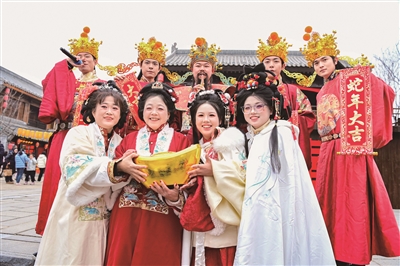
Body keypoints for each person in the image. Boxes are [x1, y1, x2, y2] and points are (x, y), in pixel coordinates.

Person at [300, 27, 400, 266]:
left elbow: (385, 91)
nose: (320, 65)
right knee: (331, 202)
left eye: (324, 60)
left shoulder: (351, 81)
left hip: (349, 149)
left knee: (352, 202)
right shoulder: (322, 89)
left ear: (335, 60)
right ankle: (332, 249)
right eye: (315, 63)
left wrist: (368, 79)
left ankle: (353, 251)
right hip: (328, 151)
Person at [233, 72, 335, 265]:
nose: (252, 112)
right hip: (258, 207)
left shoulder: (281, 133)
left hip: (276, 205)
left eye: (258, 106)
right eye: (247, 108)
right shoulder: (256, 136)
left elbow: (287, 179)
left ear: (272, 108)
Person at [34, 81, 130, 266]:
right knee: (71, 254)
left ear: (121, 114)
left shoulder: (120, 141)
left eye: (115, 108)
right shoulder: (78, 133)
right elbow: (74, 166)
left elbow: (120, 181)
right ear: (93, 111)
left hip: (102, 215)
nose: (109, 111)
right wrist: (116, 167)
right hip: (74, 210)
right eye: (104, 106)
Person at [104, 82, 191, 265]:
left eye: (160, 108)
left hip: (164, 215)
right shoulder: (129, 139)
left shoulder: (182, 142)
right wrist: (123, 167)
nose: (154, 113)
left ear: (169, 113)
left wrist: (175, 196)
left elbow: (189, 181)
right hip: (127, 213)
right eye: (149, 108)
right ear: (142, 111)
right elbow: (112, 173)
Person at [35, 26, 104, 235]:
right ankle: (50, 233)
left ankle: (76, 234)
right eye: (78, 56)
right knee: (55, 182)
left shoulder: (101, 84)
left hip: (85, 139)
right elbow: (47, 83)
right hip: (63, 135)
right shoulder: (66, 81)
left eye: (87, 56)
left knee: (79, 183)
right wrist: (66, 65)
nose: (82, 59)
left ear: (95, 61)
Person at [180, 89, 246, 266]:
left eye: (211, 115)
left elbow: (242, 174)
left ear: (220, 118)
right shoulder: (195, 147)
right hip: (201, 221)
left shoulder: (230, 143)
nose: (206, 120)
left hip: (225, 223)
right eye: (200, 115)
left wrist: (214, 170)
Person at [255, 32, 316, 169]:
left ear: (283, 66)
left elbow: (308, 117)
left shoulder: (293, 91)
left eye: (276, 61)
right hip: (260, 141)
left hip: (287, 143)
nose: (271, 65)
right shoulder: (254, 91)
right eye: (267, 61)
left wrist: (287, 123)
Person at [174, 37, 235, 133]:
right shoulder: (179, 93)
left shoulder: (223, 93)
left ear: (213, 70)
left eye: (206, 66)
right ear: (191, 69)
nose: (202, 69)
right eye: (198, 66)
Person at [114, 37, 168, 135]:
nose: (150, 66)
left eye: (154, 64)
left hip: (157, 134)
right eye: (147, 62)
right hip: (131, 133)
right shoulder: (128, 85)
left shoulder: (164, 89)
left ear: (159, 68)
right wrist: (118, 87)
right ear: (140, 64)